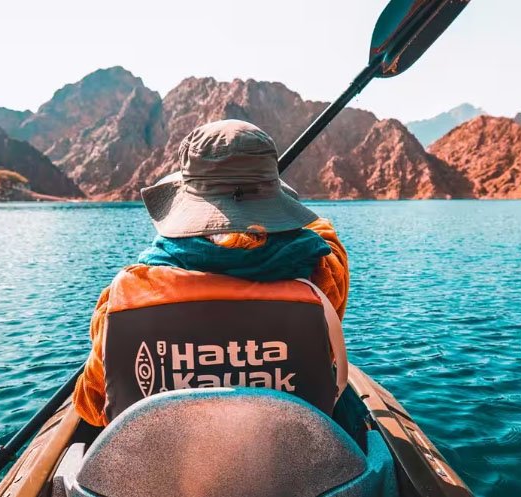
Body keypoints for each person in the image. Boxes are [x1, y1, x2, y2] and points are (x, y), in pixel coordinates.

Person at [73, 119, 350, 427]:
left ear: (185, 206)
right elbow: (322, 237)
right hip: (294, 467)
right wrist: (270, 206)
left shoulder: (127, 293)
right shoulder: (320, 272)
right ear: (274, 197)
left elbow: (92, 408)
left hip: (162, 470)